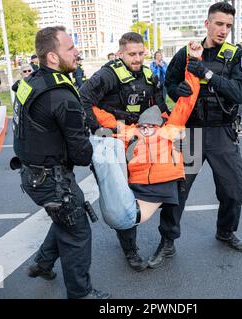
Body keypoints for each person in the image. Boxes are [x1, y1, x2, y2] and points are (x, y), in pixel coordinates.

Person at [150, 1, 242, 269]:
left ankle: (226, 231)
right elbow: (168, 83)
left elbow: (240, 93)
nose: (223, 30)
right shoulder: (188, 51)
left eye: (228, 25)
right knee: (177, 191)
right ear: (207, 23)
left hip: (221, 133)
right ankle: (167, 241)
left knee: (234, 190)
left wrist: (207, 74)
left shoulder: (236, 55)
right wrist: (178, 91)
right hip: (192, 133)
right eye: (219, 24)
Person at [11, 26, 110, 299]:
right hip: (52, 181)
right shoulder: (62, 96)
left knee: (65, 220)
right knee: (77, 232)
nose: (77, 52)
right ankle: (80, 294)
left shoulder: (31, 82)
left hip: (32, 175)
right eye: (70, 47)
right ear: (52, 57)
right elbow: (82, 155)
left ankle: (42, 264)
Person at [80, 32, 169, 272]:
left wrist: (165, 127)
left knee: (160, 188)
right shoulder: (108, 75)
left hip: (140, 144)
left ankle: (168, 240)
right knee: (119, 197)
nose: (138, 58)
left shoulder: (149, 75)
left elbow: (161, 107)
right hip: (113, 145)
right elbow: (83, 99)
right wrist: (102, 130)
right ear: (120, 53)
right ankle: (130, 251)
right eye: (132, 54)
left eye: (141, 53)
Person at [89, 41, 202, 229]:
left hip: (162, 184)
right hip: (135, 187)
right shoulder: (128, 131)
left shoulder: (170, 127)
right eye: (144, 124)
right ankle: (128, 243)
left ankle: (156, 237)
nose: (147, 126)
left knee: (126, 218)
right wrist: (101, 78)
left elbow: (188, 100)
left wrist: (193, 58)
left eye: (152, 123)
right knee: (106, 149)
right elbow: (96, 111)